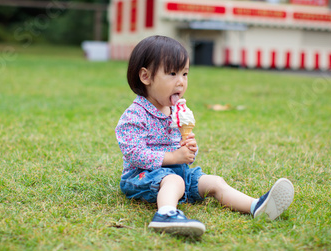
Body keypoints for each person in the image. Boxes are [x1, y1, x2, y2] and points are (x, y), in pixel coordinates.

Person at [115, 35, 294, 237]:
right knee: (175, 182)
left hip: (177, 172)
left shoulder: (176, 111)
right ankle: (165, 214)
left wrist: (189, 147)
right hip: (141, 177)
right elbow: (133, 153)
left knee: (215, 182)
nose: (181, 82)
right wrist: (173, 157)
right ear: (146, 77)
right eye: (172, 73)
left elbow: (182, 150)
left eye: (185, 74)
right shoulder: (135, 115)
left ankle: (256, 207)